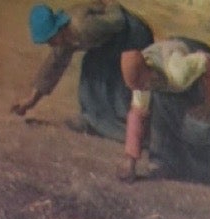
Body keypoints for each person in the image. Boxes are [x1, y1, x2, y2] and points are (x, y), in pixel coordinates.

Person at [11, 3, 154, 142]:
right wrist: (31, 101)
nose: (50, 44)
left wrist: (110, 5)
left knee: (114, 80)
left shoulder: (84, 26)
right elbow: (53, 67)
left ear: (58, 29)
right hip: (112, 42)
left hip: (134, 35)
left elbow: (118, 20)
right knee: (91, 71)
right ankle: (94, 120)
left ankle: (131, 129)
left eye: (50, 39)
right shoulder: (65, 36)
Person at [119, 38, 210, 186]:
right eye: (138, 87)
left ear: (149, 70)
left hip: (202, 66)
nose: (141, 89)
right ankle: (166, 162)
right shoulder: (142, 81)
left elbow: (207, 62)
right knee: (160, 109)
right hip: (170, 72)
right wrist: (130, 159)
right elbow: (138, 114)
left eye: (142, 85)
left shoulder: (177, 71)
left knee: (208, 122)